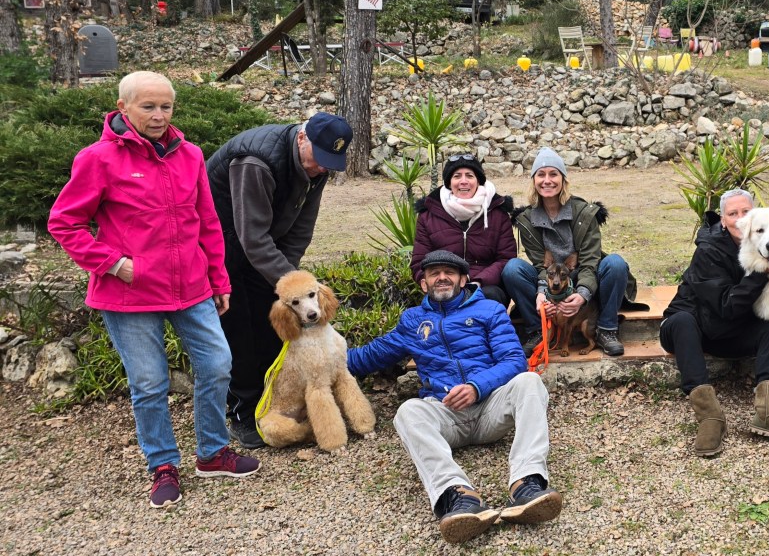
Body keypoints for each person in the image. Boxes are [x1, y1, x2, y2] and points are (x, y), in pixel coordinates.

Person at [48, 71, 260, 509]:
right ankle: (162, 465)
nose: (160, 115)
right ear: (123, 108)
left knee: (218, 365)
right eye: (149, 107)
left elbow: (207, 222)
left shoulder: (191, 155)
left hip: (192, 287)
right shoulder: (97, 159)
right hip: (129, 294)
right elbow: (64, 222)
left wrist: (219, 278)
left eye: (166, 106)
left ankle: (212, 453)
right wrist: (112, 263)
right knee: (149, 383)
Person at [347, 250, 563, 544]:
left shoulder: (490, 310)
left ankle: (528, 483)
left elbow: (514, 360)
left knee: (529, 382)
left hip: (490, 409)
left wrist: (476, 386)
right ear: (423, 284)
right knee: (408, 411)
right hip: (446, 415)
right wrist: (316, 354)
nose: (442, 277)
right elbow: (367, 358)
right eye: (434, 273)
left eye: (449, 272)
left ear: (463, 279)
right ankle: (457, 496)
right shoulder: (412, 321)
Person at [206, 111, 353, 448]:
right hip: (220, 245)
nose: (323, 168)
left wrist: (291, 284)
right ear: (302, 137)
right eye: (320, 158)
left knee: (276, 324)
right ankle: (243, 412)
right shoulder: (255, 161)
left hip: (262, 247)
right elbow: (251, 236)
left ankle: (276, 401)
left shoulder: (318, 165)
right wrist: (290, 282)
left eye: (332, 161)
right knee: (238, 327)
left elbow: (301, 229)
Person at [659, 189, 769, 456]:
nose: (741, 219)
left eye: (746, 212)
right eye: (733, 214)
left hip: (728, 332)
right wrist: (763, 272)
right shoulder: (709, 250)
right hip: (693, 326)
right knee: (682, 322)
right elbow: (725, 306)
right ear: (723, 219)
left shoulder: (760, 246)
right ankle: (710, 418)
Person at [502, 147, 639, 356]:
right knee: (512, 269)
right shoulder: (526, 219)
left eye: (553, 174)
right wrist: (542, 294)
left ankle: (606, 329)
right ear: (533, 180)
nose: (547, 180)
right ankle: (538, 330)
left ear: (563, 179)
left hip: (581, 272)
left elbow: (590, 262)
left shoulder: (584, 212)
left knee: (616, 264)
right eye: (541, 174)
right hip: (550, 276)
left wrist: (582, 295)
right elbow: (541, 266)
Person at [410, 153, 516, 306]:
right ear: (449, 182)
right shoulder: (429, 215)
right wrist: (442, 282)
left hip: (486, 286)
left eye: (470, 176)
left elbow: (506, 259)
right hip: (444, 285)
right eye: (457, 176)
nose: (463, 181)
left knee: (489, 297)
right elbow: (419, 262)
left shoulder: (498, 212)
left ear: (478, 180)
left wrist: (476, 282)